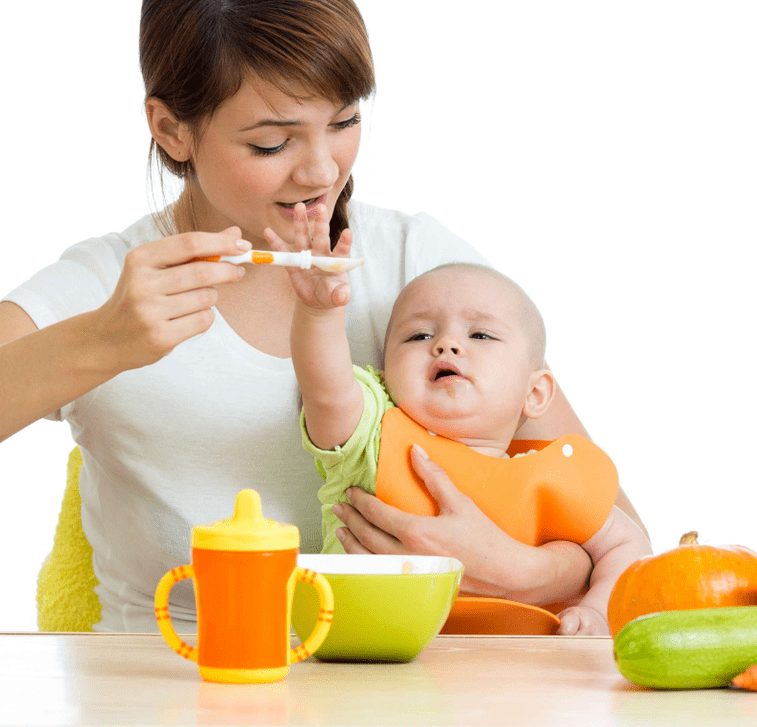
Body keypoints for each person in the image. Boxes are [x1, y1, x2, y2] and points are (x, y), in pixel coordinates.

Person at [0, 0, 647, 633]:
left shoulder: (422, 272)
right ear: (171, 129)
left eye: (346, 120)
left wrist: (524, 571)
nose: (322, 169)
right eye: (271, 142)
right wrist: (99, 342)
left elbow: (612, 521)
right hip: (164, 686)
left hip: (390, 691)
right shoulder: (107, 287)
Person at [268, 204, 652, 635]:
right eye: (420, 335)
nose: (447, 344)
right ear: (383, 374)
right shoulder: (370, 434)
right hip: (366, 663)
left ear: (535, 392)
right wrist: (320, 313)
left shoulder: (552, 479)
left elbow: (629, 544)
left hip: (509, 685)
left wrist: (598, 612)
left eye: (481, 335)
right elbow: (325, 387)